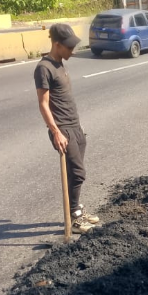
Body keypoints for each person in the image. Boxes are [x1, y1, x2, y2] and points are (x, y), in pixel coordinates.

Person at [35, 23, 99, 233]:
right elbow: (43, 104)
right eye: (69, 47)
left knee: (74, 173)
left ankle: (76, 210)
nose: (72, 51)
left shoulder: (60, 63)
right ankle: (74, 217)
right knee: (79, 173)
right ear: (56, 44)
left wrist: (77, 126)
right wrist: (56, 132)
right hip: (63, 129)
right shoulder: (43, 68)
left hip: (75, 126)